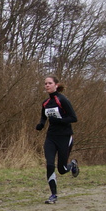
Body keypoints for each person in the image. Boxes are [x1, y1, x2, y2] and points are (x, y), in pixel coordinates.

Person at [35, 76, 79, 204]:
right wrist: (41, 124)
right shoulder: (45, 103)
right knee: (49, 165)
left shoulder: (62, 100)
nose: (47, 85)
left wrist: (59, 121)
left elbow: (73, 118)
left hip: (65, 137)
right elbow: (44, 117)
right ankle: (53, 195)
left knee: (62, 169)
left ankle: (73, 165)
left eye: (49, 83)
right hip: (51, 137)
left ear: (56, 85)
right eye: (45, 84)